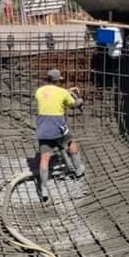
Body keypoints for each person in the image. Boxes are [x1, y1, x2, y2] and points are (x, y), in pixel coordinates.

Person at [34, 69, 84, 201]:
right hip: (58, 128)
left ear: (47, 79)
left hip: (43, 130)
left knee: (44, 158)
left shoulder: (39, 91)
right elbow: (73, 104)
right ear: (58, 81)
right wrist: (80, 100)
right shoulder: (62, 93)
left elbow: (51, 96)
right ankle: (79, 170)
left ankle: (43, 188)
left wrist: (65, 92)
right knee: (71, 144)